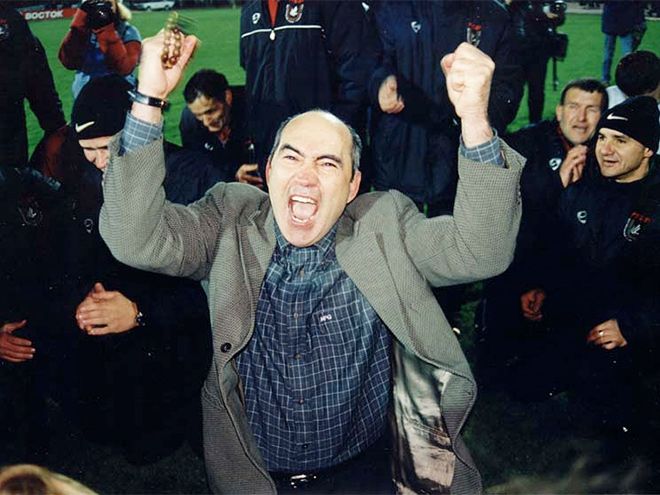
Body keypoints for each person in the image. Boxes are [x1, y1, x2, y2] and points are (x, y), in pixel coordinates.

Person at [99, 29, 525, 494]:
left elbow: (481, 249)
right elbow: (133, 239)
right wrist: (149, 99)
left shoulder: (385, 223)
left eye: (328, 163)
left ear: (353, 185)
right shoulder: (227, 219)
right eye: (292, 157)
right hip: (259, 480)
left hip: (370, 472)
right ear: (268, 171)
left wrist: (474, 118)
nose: (305, 177)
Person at [28, 75, 213, 464]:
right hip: (124, 333)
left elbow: (217, 286)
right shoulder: (87, 175)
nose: (98, 160)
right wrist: (89, 297)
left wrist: (140, 312)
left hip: (181, 331)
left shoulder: (192, 175)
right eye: (88, 150)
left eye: (105, 147)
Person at [514, 96, 660, 438]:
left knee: (613, 429)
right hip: (577, 317)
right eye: (602, 138)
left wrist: (633, 328)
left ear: (647, 150)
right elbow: (556, 244)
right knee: (524, 388)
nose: (605, 150)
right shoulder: (585, 183)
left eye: (620, 141)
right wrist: (537, 284)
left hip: (629, 330)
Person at [478, 78, 607, 392]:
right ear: (559, 111)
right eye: (574, 107)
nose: (581, 118)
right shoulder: (526, 143)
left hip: (564, 266)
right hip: (516, 260)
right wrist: (556, 180)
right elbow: (504, 205)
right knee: (499, 359)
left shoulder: (606, 152)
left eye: (592, 110)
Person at [239, 0, 379, 180]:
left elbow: (356, 75)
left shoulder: (336, 4)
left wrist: (332, 134)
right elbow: (252, 76)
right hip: (272, 152)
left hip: (325, 152)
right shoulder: (250, 8)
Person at [0, 5, 65, 168]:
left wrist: (55, 126)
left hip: (9, 135)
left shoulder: (11, 20)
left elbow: (37, 77)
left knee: (14, 176)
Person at [179, 68, 261, 188]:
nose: (206, 122)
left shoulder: (256, 107)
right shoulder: (190, 121)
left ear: (227, 97)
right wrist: (232, 174)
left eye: (210, 111)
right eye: (198, 115)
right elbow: (197, 165)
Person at [58, 0, 141, 98]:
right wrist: (79, 23)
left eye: (107, 4)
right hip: (85, 95)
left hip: (119, 95)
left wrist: (106, 29)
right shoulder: (84, 32)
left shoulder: (128, 31)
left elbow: (125, 68)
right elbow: (69, 62)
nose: (101, 9)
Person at [507, 0, 560, 123]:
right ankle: (504, 121)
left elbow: (558, 16)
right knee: (514, 90)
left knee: (536, 90)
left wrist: (556, 15)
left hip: (539, 50)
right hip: (517, 49)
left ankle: (535, 122)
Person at [600, 0, 646, 85]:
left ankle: (605, 78)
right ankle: (628, 78)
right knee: (628, 55)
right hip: (625, 23)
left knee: (608, 54)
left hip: (611, 21)